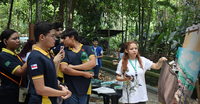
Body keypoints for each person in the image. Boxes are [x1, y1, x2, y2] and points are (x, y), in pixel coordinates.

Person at [27, 21, 71, 104]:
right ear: (42, 37)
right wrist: (63, 93)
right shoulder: (36, 57)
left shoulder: (46, 54)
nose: (55, 39)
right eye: (53, 36)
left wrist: (60, 87)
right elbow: (40, 89)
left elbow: (50, 79)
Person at [60, 29, 96, 104]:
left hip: (84, 90)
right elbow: (64, 69)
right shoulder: (65, 51)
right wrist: (83, 73)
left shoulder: (87, 48)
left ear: (72, 37)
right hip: (70, 91)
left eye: (65, 38)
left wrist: (73, 67)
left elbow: (92, 63)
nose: (63, 41)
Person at [0, 29, 29, 104]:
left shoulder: (16, 55)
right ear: (5, 41)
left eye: (18, 38)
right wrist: (33, 54)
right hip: (9, 95)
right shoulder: (3, 56)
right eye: (14, 39)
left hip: (19, 93)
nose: (18, 41)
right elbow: (21, 72)